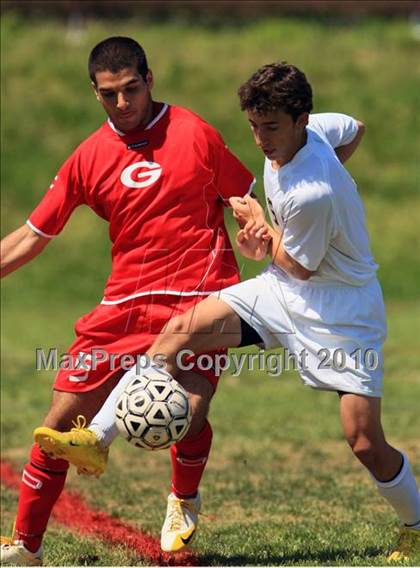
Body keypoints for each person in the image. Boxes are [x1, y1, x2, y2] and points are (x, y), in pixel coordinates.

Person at [43, 62, 420, 562]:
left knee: (364, 440)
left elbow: (298, 265)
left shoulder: (314, 191)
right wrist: (273, 237)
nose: (261, 140)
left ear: (301, 119)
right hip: (281, 291)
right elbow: (356, 128)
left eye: (272, 128)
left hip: (340, 312)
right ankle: (97, 437)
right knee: (179, 330)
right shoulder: (319, 131)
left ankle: (416, 524)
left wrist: (264, 229)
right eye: (254, 126)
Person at [0, 36, 256, 564]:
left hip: (196, 299)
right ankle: (26, 547)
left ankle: (183, 499)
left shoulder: (195, 134)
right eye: (110, 94)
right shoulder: (88, 157)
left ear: (150, 80)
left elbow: (244, 199)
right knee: (55, 427)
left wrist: (258, 234)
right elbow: (30, 236)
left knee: (181, 414)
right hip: (121, 307)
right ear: (95, 93)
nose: (123, 103)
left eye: (132, 89)